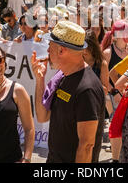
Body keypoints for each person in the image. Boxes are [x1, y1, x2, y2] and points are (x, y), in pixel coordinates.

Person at [31, 21, 105, 163]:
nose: (47, 52)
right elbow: (42, 116)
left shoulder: (87, 89)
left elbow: (87, 146)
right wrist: (40, 80)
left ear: (61, 50)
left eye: (50, 47)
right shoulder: (63, 76)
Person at [101, 20, 128, 162]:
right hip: (113, 96)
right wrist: (115, 92)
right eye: (126, 32)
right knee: (116, 126)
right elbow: (103, 78)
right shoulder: (107, 53)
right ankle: (116, 158)